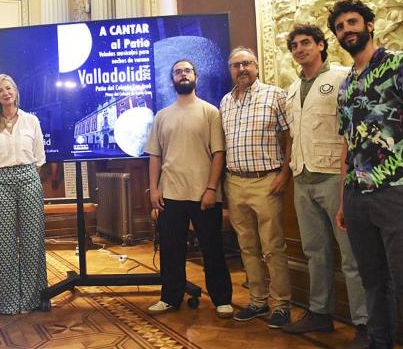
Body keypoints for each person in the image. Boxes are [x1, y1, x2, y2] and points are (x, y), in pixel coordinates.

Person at [329, 0, 403, 348]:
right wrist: (344, 199)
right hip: (357, 194)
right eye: (341, 27)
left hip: (396, 188)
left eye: (352, 22)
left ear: (370, 25)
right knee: (372, 279)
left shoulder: (399, 64)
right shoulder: (346, 85)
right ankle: (380, 342)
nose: (347, 30)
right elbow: (348, 142)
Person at [281, 24, 368, 344]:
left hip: (335, 177)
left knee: (351, 255)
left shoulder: (343, 77)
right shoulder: (291, 89)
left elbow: (354, 129)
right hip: (302, 178)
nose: (300, 49)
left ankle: (364, 322)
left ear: (320, 45)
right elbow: (292, 134)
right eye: (294, 45)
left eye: (306, 43)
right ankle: (320, 313)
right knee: (314, 251)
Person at [144, 59, 233, 318]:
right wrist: (153, 189)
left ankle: (222, 299)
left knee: (212, 248)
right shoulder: (162, 116)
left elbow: (218, 153)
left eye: (187, 71)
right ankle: (170, 297)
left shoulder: (210, 112)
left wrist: (211, 189)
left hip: (204, 195)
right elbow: (155, 157)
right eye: (177, 71)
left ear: (196, 76)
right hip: (169, 194)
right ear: (171, 79)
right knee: (171, 250)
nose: (183, 75)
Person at [219, 47, 292, 329]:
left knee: (273, 247)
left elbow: (290, 138)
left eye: (247, 63)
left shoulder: (275, 95)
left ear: (257, 66)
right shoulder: (225, 101)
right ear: (230, 70)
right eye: (236, 65)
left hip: (267, 181)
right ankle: (258, 300)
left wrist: (284, 174)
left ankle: (281, 304)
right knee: (247, 247)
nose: (242, 69)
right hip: (235, 181)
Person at [0, 74, 47, 315]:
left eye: (8, 88)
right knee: (3, 243)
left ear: (16, 91)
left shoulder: (31, 121)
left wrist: (25, 174)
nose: (6, 93)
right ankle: (7, 303)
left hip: (29, 178)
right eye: (0, 90)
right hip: (0, 182)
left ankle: (32, 299)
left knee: (32, 240)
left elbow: (39, 158)